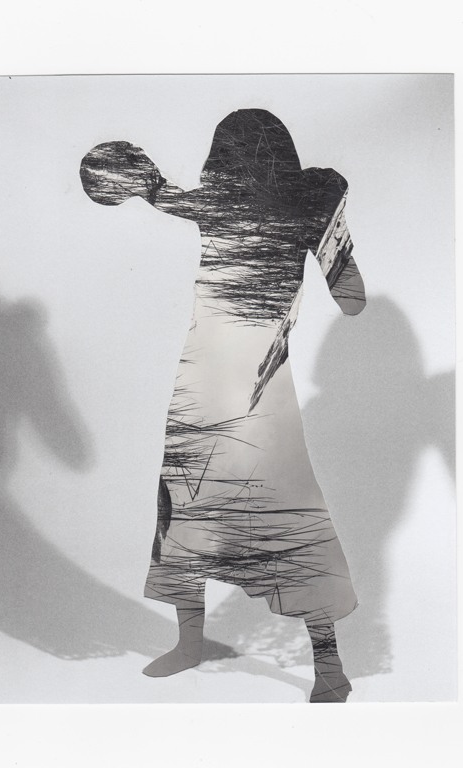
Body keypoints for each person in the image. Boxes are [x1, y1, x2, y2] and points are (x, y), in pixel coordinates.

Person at [80, 108, 366, 702]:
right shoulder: (302, 209)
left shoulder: (217, 204)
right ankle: (326, 667)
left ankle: (198, 644)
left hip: (208, 388)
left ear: (220, 159)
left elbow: (159, 192)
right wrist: (328, 229)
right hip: (250, 391)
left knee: (191, 510)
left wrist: (139, 181)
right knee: (288, 519)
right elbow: (353, 299)